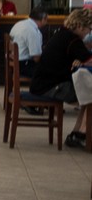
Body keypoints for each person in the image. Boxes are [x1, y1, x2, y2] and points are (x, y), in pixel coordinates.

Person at [30, 8, 92, 149]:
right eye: (89, 28)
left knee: (87, 94)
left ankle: (78, 133)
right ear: (80, 26)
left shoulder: (63, 34)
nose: (89, 32)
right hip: (50, 87)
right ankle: (82, 135)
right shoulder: (72, 39)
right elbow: (88, 58)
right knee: (89, 94)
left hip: (42, 83)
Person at [9, 8, 49, 78]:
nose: (47, 22)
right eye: (47, 20)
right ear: (43, 19)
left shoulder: (19, 24)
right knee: (52, 71)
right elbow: (36, 57)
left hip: (15, 63)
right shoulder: (32, 31)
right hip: (24, 65)